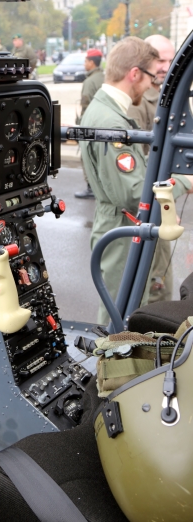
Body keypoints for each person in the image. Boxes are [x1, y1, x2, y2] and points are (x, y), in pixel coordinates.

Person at [79, 36, 193, 325]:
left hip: (123, 222)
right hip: (123, 225)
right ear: (134, 74)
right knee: (121, 317)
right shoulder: (111, 122)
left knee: (138, 306)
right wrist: (183, 181)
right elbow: (133, 193)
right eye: (152, 77)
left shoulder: (108, 112)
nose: (154, 84)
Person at [127, 35, 176, 303]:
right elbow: (144, 165)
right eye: (160, 60)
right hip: (147, 207)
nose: (166, 66)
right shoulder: (138, 102)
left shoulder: (165, 94)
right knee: (151, 293)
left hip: (160, 203)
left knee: (162, 285)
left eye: (171, 59)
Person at [75, 48, 105, 199]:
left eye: (86, 61)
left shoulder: (89, 81)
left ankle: (90, 187)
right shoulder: (104, 78)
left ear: (92, 62)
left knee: (87, 157)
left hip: (90, 124)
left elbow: (85, 106)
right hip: (104, 123)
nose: (84, 63)